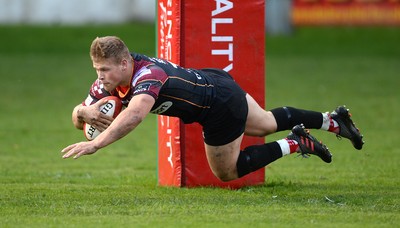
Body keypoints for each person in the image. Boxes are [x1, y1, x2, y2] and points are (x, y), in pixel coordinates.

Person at [62, 36, 364, 182]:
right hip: (215, 81)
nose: (99, 75)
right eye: (96, 69)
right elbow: (80, 113)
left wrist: (96, 144)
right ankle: (332, 121)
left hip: (217, 105)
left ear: (125, 64)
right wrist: (83, 114)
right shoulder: (110, 82)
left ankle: (297, 142)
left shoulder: (148, 75)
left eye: (104, 69)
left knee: (227, 172)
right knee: (266, 123)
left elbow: (135, 115)